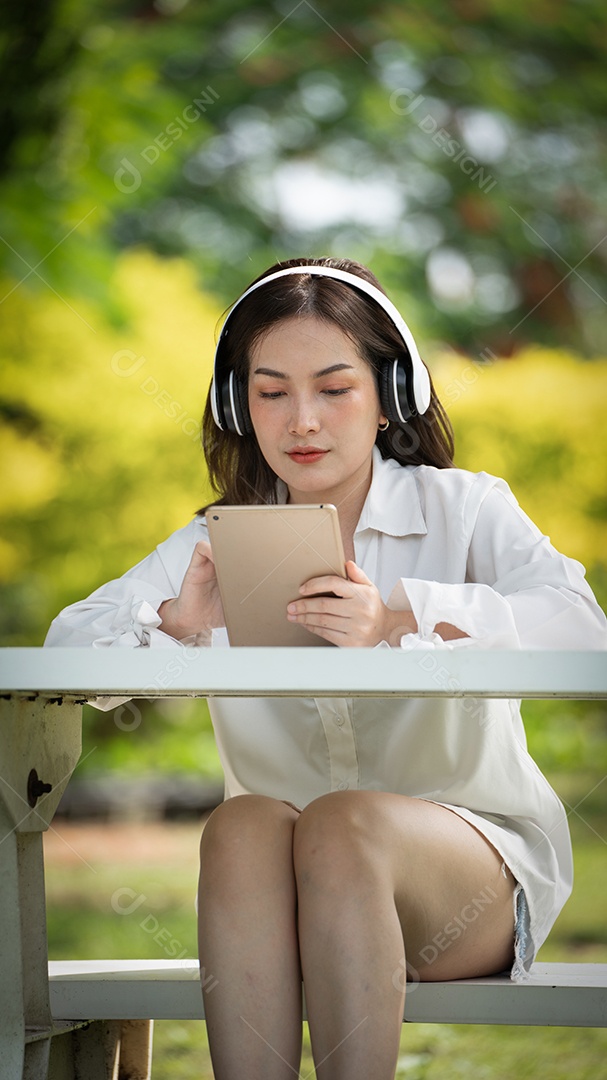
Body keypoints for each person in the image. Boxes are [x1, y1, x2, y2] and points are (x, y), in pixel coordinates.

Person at [45, 256, 607, 1080]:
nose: (300, 421)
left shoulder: (467, 509)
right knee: (241, 823)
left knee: (342, 821)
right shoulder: (212, 540)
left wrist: (399, 616)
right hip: (289, 900)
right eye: (270, 392)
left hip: (469, 890)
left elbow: (585, 635)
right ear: (239, 406)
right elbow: (68, 655)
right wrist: (176, 623)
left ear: (391, 397)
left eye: (334, 389)